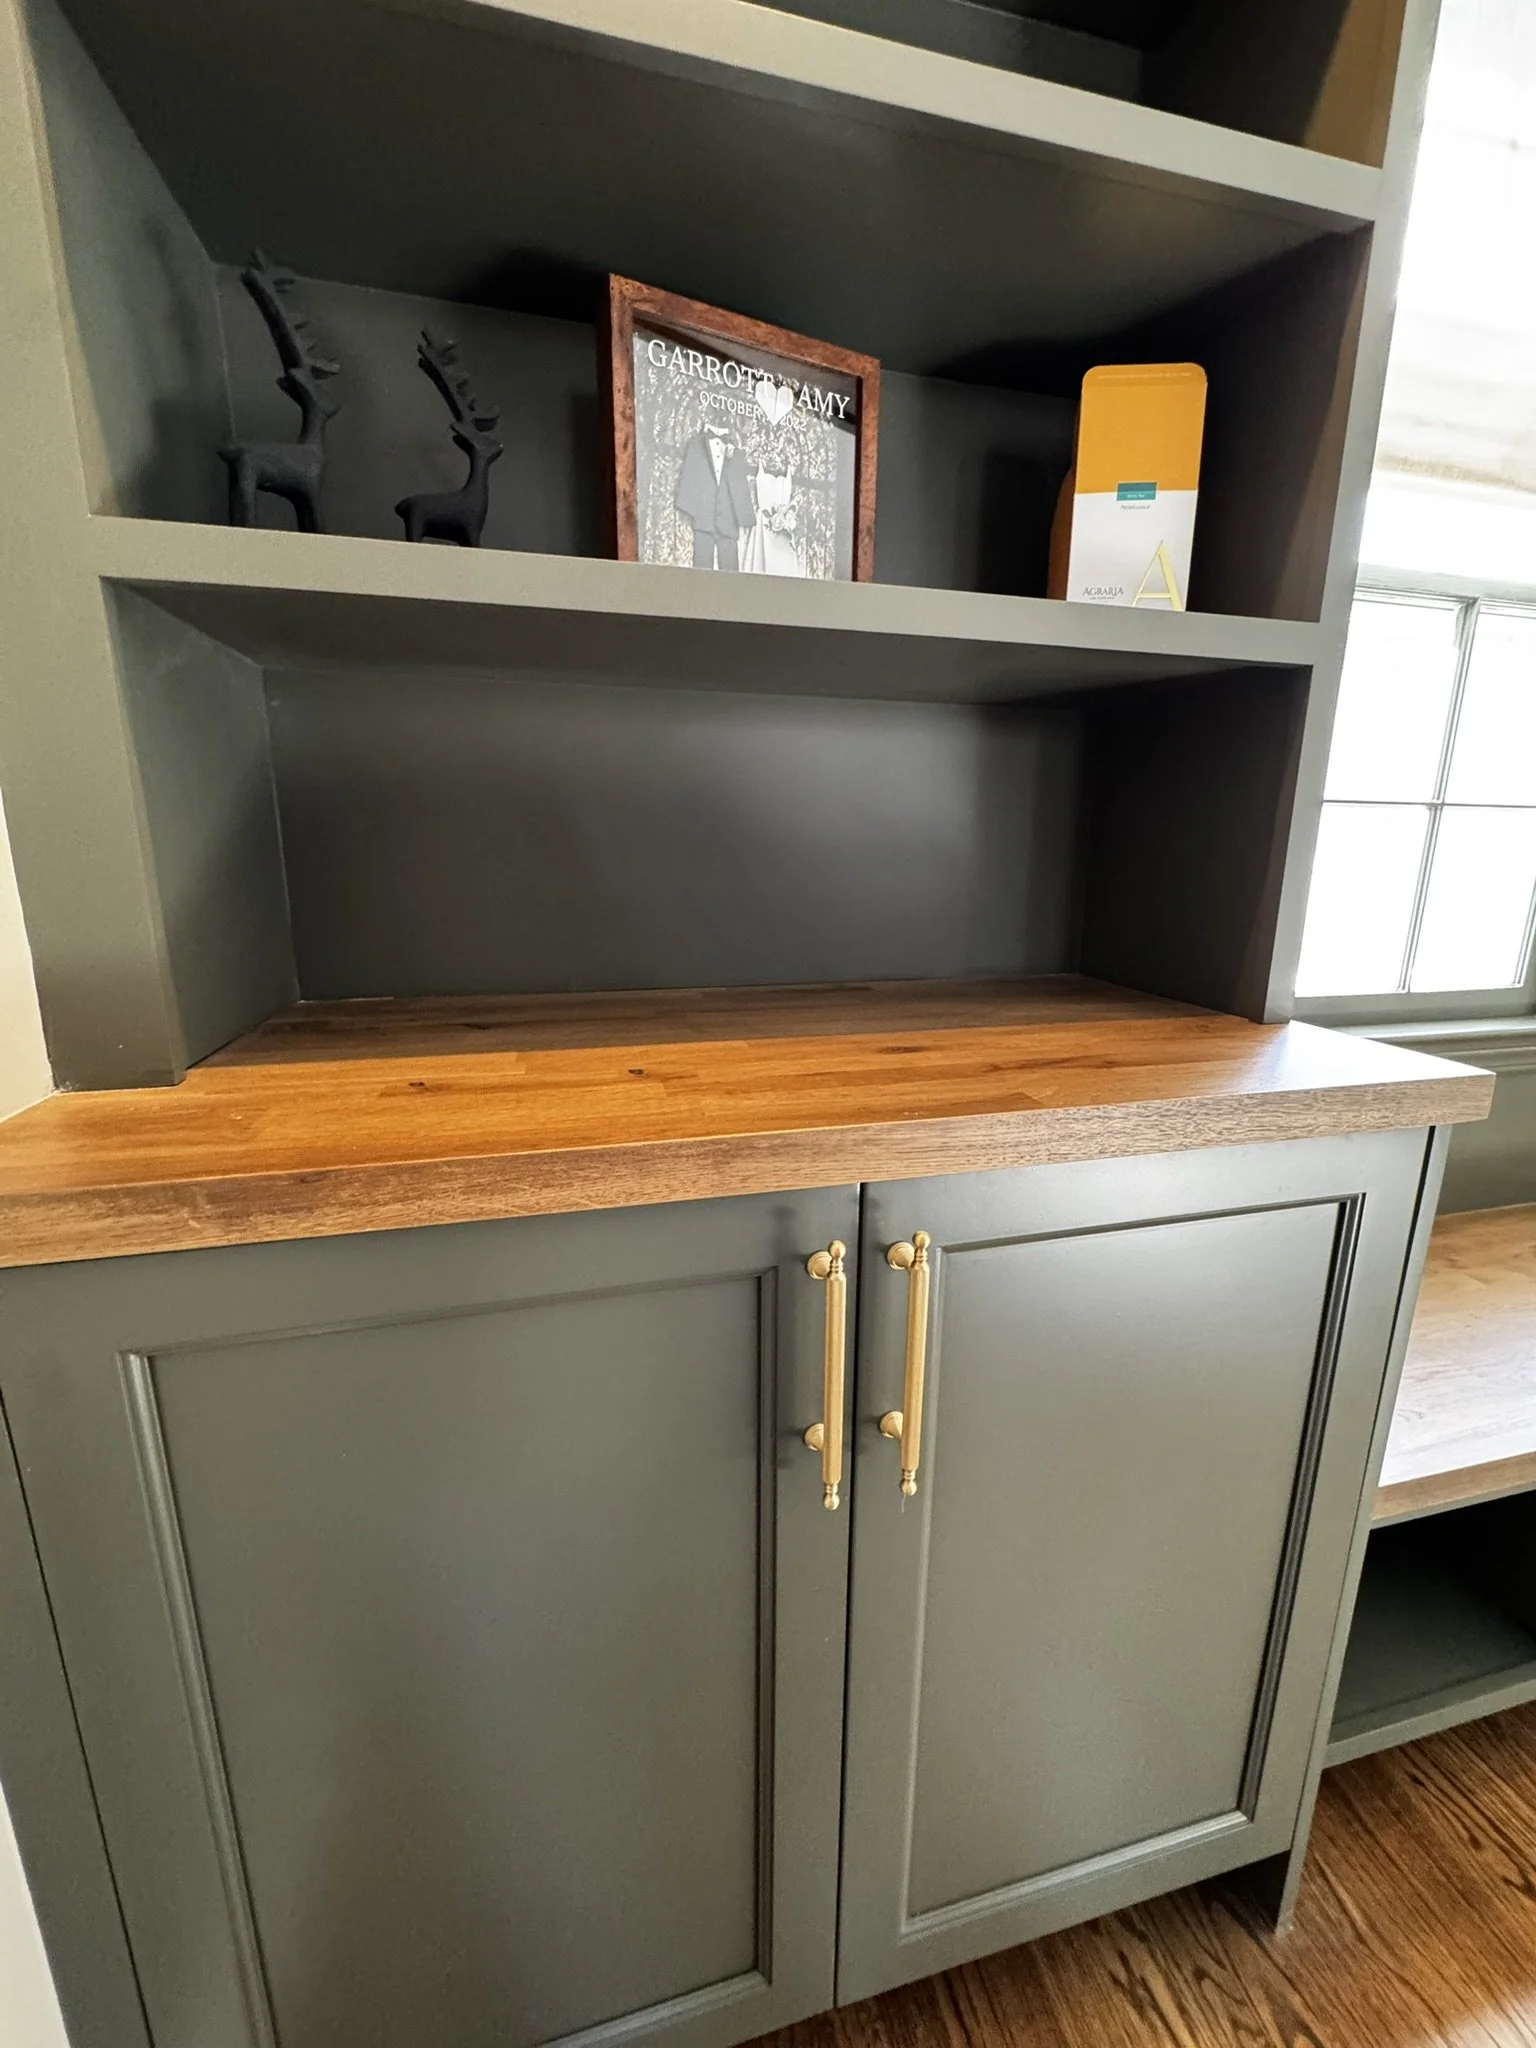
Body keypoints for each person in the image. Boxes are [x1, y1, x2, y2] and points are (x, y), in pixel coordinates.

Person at [673, 423, 757, 569]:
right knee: (701, 566)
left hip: (729, 520)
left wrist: (745, 516)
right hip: (703, 517)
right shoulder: (696, 446)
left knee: (730, 569)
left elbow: (740, 484)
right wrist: (686, 506)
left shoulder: (735, 453)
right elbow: (689, 474)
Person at [741, 461, 802, 576]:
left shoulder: (788, 473)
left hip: (783, 525)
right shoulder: (760, 471)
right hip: (763, 523)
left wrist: (788, 517)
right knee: (759, 561)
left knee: (783, 563)